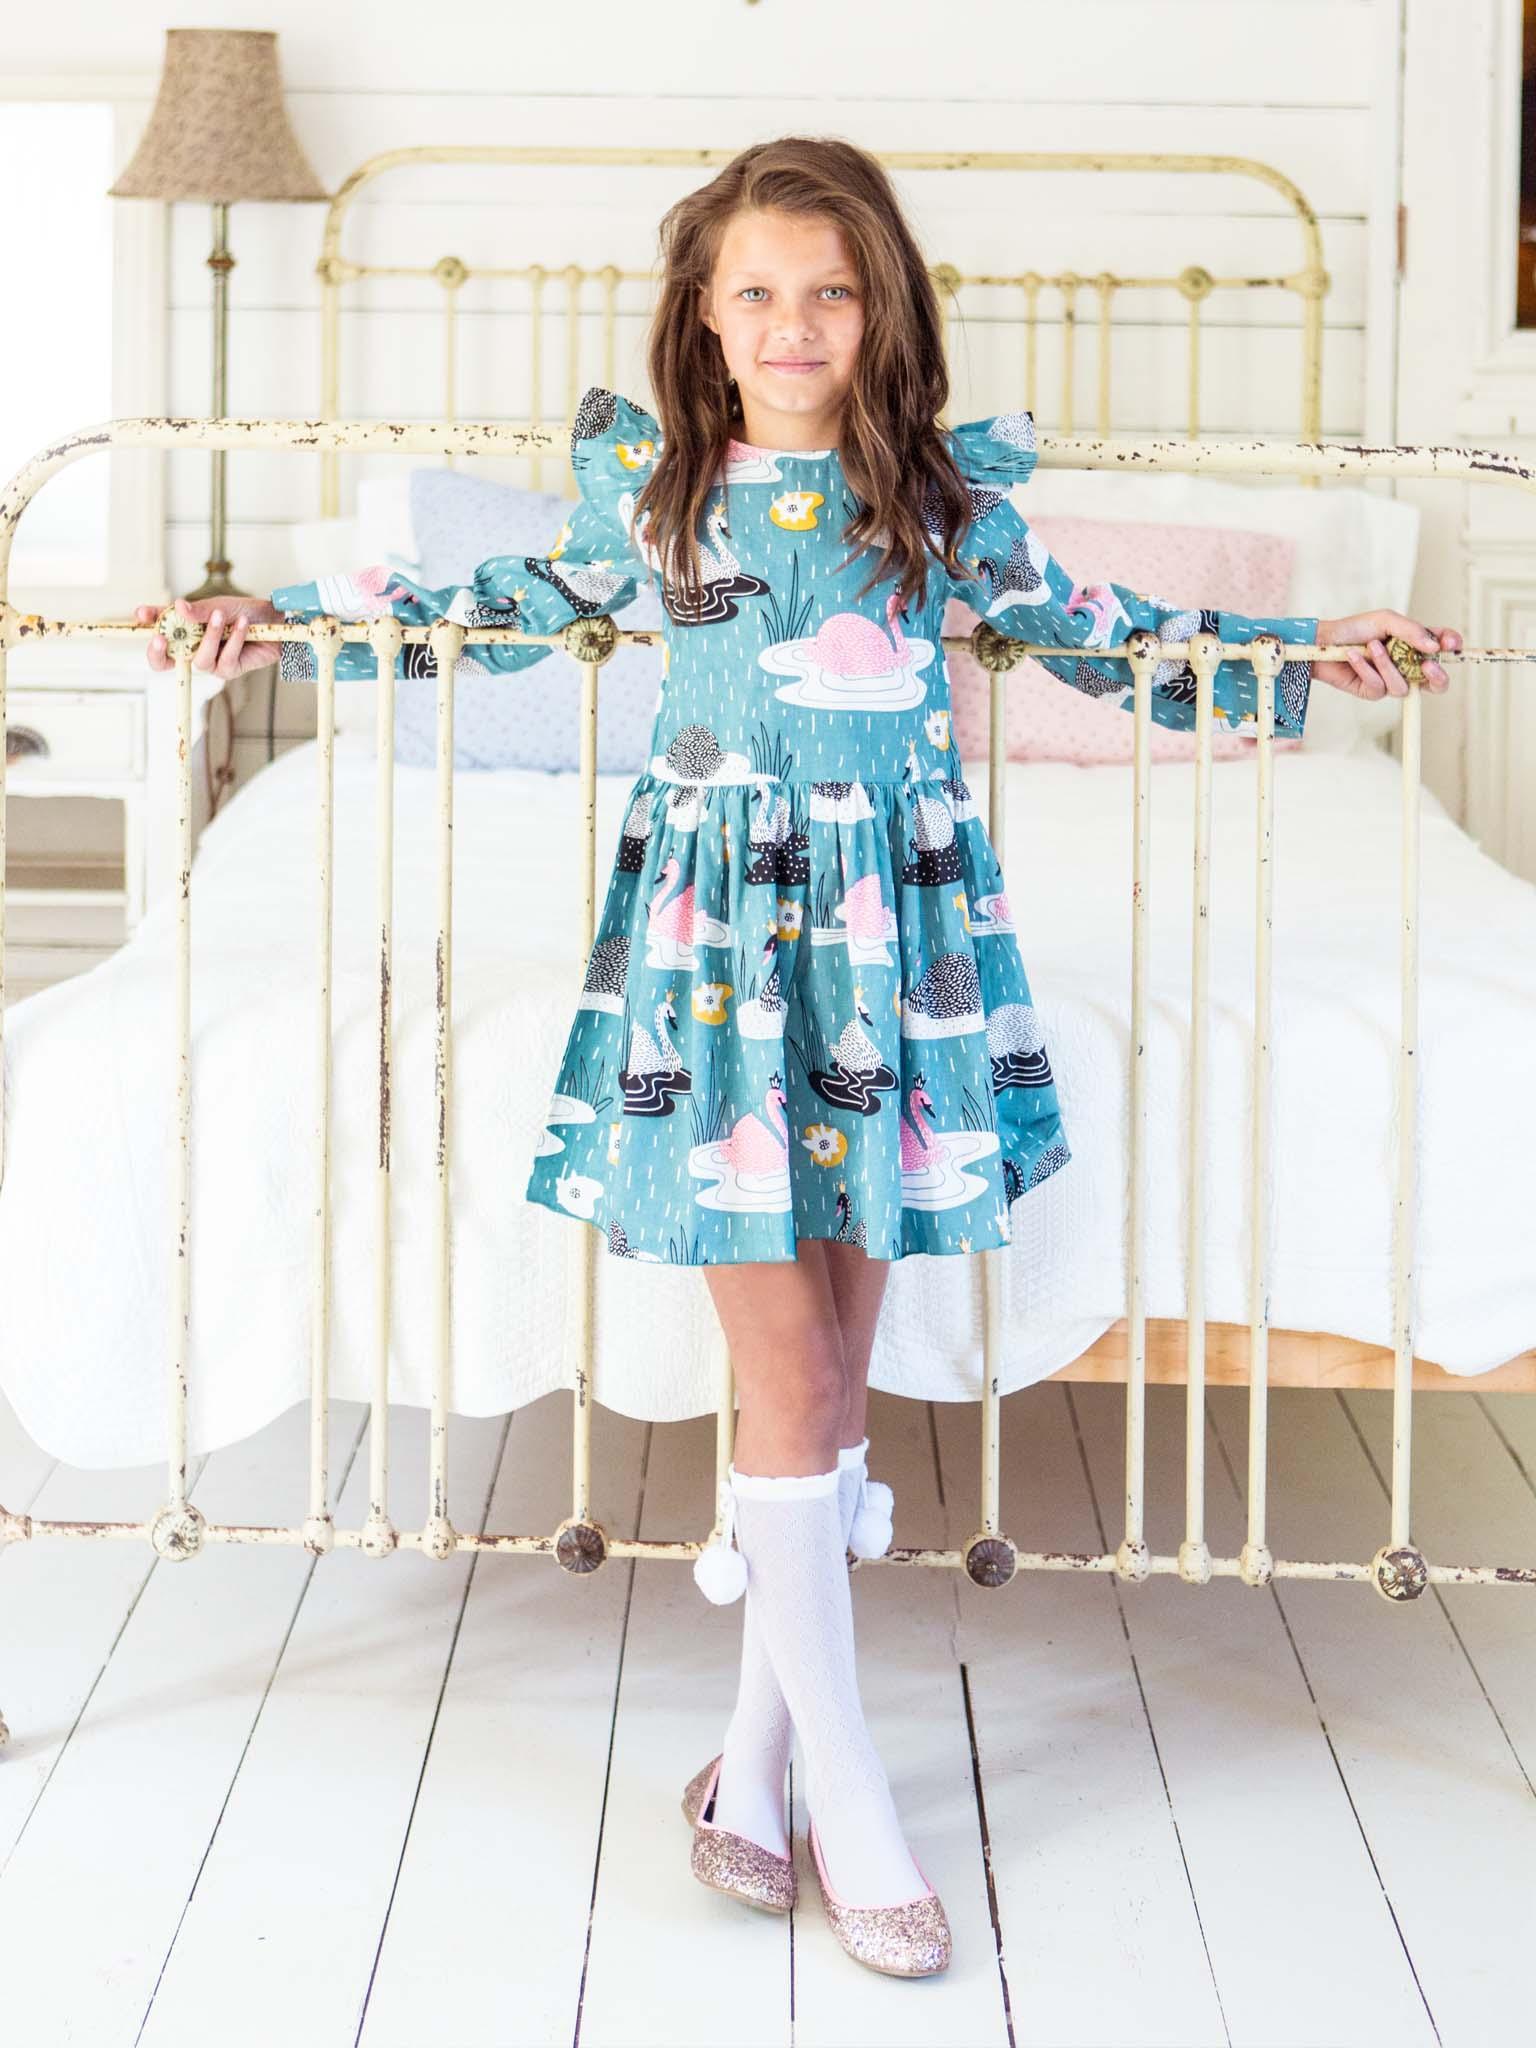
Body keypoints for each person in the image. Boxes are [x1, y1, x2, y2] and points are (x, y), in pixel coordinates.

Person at [136, 135, 1460, 1980]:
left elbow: (1113, 642)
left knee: (832, 1383)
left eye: (829, 290)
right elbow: (479, 613)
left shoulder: (937, 506)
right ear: (702, 309)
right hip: (719, 969)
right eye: (756, 289)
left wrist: (1309, 648)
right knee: (784, 1360)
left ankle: (746, 1773)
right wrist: (274, 627)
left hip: (895, 962)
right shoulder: (654, 497)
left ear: (881, 308)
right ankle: (857, 1793)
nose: (792, 322)